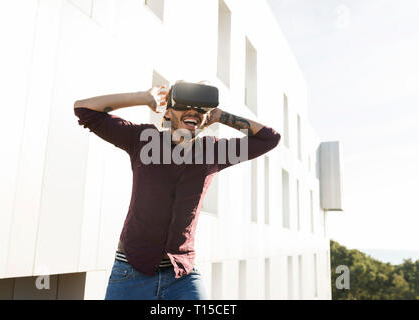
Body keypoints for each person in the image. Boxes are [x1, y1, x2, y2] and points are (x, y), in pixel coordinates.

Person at [73, 81, 281, 300]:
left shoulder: (214, 151)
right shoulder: (142, 139)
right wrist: (142, 97)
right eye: (184, 105)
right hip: (131, 272)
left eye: (201, 108)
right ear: (168, 112)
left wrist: (221, 115)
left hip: (182, 274)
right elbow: (84, 110)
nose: (193, 111)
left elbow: (269, 138)